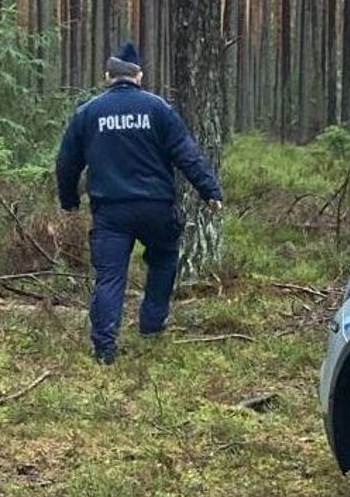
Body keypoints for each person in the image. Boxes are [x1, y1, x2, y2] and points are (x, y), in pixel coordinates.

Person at [56, 42, 224, 365]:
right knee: (163, 259)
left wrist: (69, 201)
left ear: (108, 75)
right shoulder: (158, 109)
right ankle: (151, 324)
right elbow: (186, 154)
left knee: (110, 277)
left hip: (110, 212)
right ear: (139, 76)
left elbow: (66, 162)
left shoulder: (89, 113)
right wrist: (210, 191)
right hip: (156, 208)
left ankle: (104, 349)